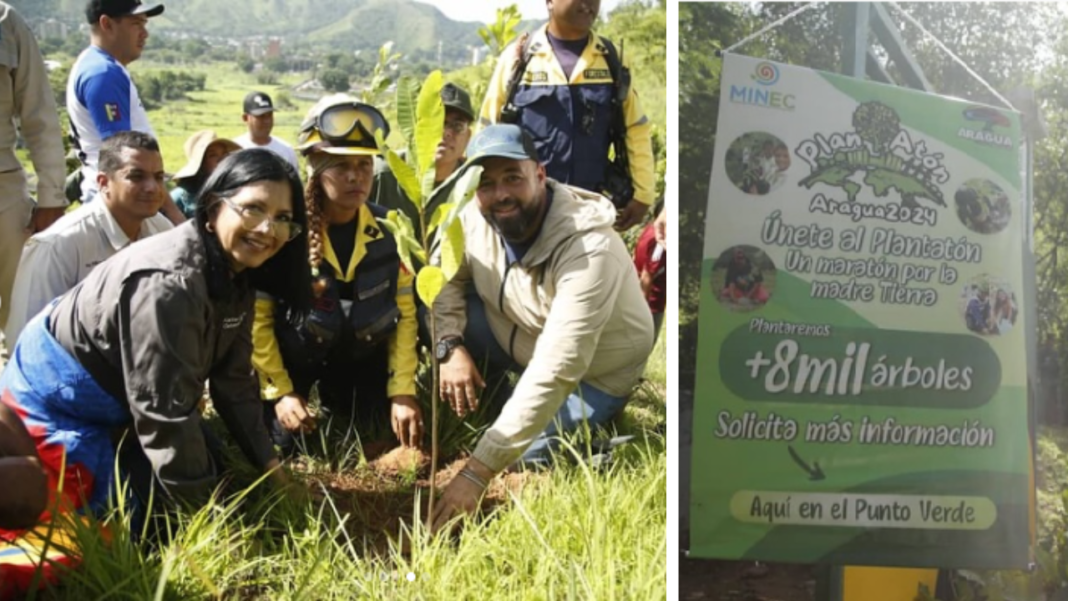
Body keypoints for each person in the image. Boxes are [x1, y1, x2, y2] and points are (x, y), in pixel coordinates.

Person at [0, 148, 312, 530]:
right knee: (140, 520)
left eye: (283, 218)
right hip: (61, 400)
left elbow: (235, 383)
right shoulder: (171, 285)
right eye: (253, 209)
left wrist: (273, 470)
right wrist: (208, 526)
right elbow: (163, 412)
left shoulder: (236, 272)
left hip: (128, 398)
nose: (268, 230)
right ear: (213, 207)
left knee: (217, 473)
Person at [428, 124, 654, 533]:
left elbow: (558, 365)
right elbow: (446, 282)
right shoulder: (472, 218)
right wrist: (448, 347)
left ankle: (601, 435)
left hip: (593, 371)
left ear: (540, 175)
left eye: (513, 178)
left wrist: (477, 472)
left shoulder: (589, 249)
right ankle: (500, 400)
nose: (501, 195)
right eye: (486, 183)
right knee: (442, 313)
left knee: (524, 454)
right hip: (516, 331)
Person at [251, 95, 423, 455]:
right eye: (340, 165)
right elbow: (259, 320)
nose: (354, 176)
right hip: (294, 362)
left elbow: (405, 313)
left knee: (380, 428)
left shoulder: (392, 229)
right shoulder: (283, 234)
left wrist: (403, 389)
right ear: (314, 165)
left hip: (361, 358)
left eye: (364, 165)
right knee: (285, 447)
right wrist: (280, 393)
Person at [479, 0, 656, 231]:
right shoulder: (518, 59)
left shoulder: (613, 59)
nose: (588, 3)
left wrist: (643, 194)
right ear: (550, 2)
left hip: (592, 211)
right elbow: (487, 131)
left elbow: (635, 127)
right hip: (528, 213)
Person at [5, 132, 173, 345]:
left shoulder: (162, 231)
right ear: (103, 183)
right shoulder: (59, 245)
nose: (152, 188)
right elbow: (27, 338)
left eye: (158, 177)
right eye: (136, 176)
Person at [66, 0, 183, 224]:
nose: (145, 33)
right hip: (120, 205)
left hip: (122, 199)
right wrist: (173, 214)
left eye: (144, 23)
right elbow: (126, 157)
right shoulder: (103, 73)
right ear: (107, 24)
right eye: (136, 23)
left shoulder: (99, 65)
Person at [0, 2, 69, 351]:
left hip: (4, 195)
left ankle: (16, 403)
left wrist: (51, 199)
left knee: (21, 320)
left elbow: (39, 114)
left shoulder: (5, 20)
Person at [373, 82, 475, 240]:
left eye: (457, 126)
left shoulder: (473, 184)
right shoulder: (381, 176)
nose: (446, 132)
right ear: (415, 128)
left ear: (468, 136)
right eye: (436, 123)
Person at [171, 130, 240, 218]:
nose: (222, 159)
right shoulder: (179, 198)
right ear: (200, 164)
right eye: (213, 155)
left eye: (224, 154)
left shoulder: (238, 190)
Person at [235, 91, 300, 173]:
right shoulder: (235, 150)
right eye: (261, 116)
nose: (267, 121)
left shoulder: (286, 151)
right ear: (245, 118)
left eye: (269, 115)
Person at [633, 204, 666, 341]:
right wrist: (642, 316)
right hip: (651, 307)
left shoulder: (649, 230)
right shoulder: (660, 243)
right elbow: (646, 278)